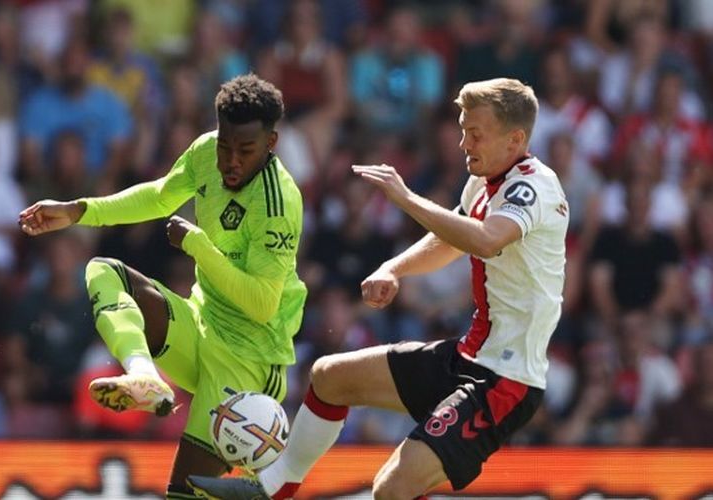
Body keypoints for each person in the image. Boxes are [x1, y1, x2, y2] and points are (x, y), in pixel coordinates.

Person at [188, 77, 568, 498]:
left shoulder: (534, 186)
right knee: (329, 378)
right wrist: (394, 268)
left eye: (475, 134)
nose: (464, 144)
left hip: (504, 382)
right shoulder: (483, 180)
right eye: (463, 131)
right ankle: (272, 488)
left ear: (516, 139)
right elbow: (451, 238)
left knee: (392, 490)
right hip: (467, 356)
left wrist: (405, 199)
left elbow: (485, 239)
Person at [18, 74, 307, 498]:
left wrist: (197, 245)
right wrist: (80, 210)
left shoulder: (278, 203)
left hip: (248, 361)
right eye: (225, 145)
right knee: (103, 271)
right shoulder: (206, 151)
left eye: (245, 151)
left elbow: (263, 304)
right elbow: (159, 196)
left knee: (182, 495)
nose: (231, 161)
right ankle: (143, 375)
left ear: (271, 142)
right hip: (200, 324)